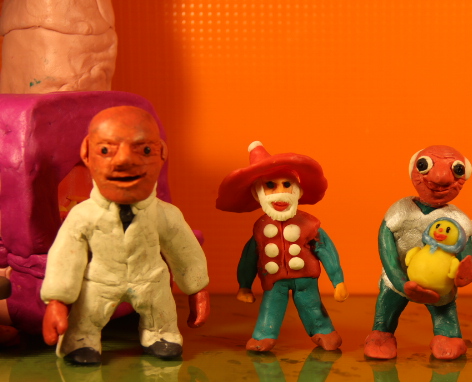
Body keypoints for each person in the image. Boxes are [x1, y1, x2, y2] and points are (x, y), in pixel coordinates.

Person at [41, 106, 210, 364]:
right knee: (86, 316)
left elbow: (184, 249)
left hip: (151, 280)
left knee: (160, 311)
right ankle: (82, 340)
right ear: (86, 153)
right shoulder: (82, 216)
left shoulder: (165, 214)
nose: (123, 161)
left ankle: (160, 334)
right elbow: (65, 256)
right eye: (106, 150)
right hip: (99, 281)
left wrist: (197, 288)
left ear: (162, 153)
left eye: (145, 150)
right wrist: (57, 300)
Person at [216, 141, 348, 352]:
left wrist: (338, 280)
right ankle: (264, 336)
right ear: (257, 194)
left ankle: (323, 331)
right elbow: (249, 257)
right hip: (274, 280)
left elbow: (326, 249)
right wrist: (244, 285)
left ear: (298, 191)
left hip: (305, 279)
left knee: (312, 305)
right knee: (271, 307)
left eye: (287, 185)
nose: (281, 192)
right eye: (271, 185)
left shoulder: (309, 224)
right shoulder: (260, 228)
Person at [364, 145, 472, 360]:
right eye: (425, 165)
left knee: (444, 310)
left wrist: (466, 273)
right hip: (398, 279)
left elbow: (468, 256)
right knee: (387, 306)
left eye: (456, 170)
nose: (441, 177)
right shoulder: (399, 211)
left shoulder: (460, 220)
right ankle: (382, 334)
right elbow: (386, 250)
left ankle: (448, 335)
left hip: (440, 286)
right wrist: (400, 282)